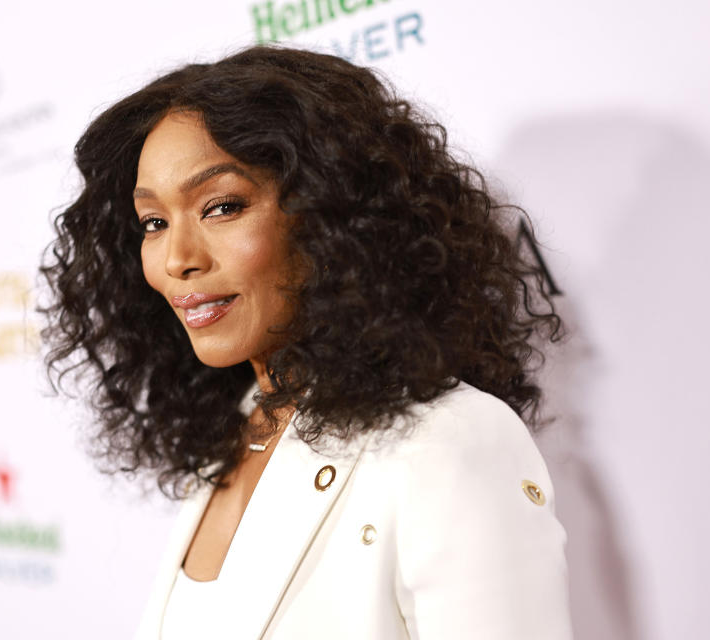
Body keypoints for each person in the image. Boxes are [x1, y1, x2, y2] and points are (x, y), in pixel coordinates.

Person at [39, 45, 573, 639]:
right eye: (154, 223)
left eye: (221, 207)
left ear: (329, 211)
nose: (177, 259)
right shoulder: (236, 435)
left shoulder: (451, 439)